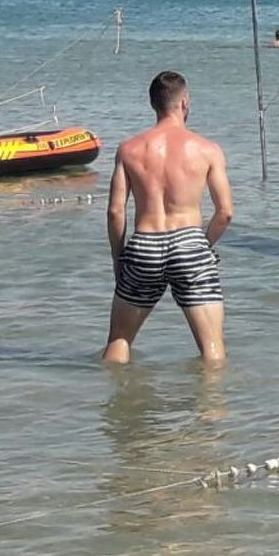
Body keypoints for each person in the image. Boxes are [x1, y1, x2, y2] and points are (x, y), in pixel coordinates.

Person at [103, 70, 233, 365]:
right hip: (190, 243)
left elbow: (114, 211)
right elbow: (224, 213)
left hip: (144, 245)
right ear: (184, 103)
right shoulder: (207, 149)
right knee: (212, 349)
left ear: (153, 105)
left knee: (119, 341)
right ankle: (211, 408)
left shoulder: (129, 150)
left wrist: (118, 256)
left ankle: (115, 404)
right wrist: (202, 244)